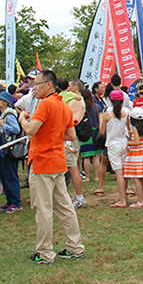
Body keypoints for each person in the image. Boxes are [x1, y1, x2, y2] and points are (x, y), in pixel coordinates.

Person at [19, 70, 85, 263]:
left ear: (49, 85)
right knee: (64, 206)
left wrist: (23, 118)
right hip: (57, 162)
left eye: (37, 84)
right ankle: (75, 246)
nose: (34, 88)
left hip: (42, 162)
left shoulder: (45, 104)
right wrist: (51, 132)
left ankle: (45, 252)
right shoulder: (63, 106)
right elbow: (70, 135)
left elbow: (31, 129)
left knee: (43, 209)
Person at [100, 89, 130, 208]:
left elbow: (102, 131)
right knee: (123, 172)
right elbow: (128, 129)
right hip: (124, 143)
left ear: (111, 101)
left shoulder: (107, 115)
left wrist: (102, 119)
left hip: (113, 145)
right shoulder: (126, 114)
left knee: (118, 172)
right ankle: (122, 196)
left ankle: (122, 200)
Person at [60, 78, 86, 210]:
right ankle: (74, 196)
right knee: (71, 165)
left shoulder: (74, 100)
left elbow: (73, 119)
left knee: (72, 166)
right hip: (71, 136)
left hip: (69, 137)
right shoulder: (77, 99)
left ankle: (79, 197)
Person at [0, 91, 22, 213]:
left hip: (10, 149)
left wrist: (3, 125)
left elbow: (15, 129)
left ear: (6, 102)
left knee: (10, 175)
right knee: (4, 175)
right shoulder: (3, 114)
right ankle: (10, 201)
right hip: (4, 149)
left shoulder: (9, 115)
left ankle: (16, 202)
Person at [125, 107, 143, 208]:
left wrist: (127, 142)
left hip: (137, 153)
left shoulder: (135, 127)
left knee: (136, 178)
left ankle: (140, 201)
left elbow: (136, 142)